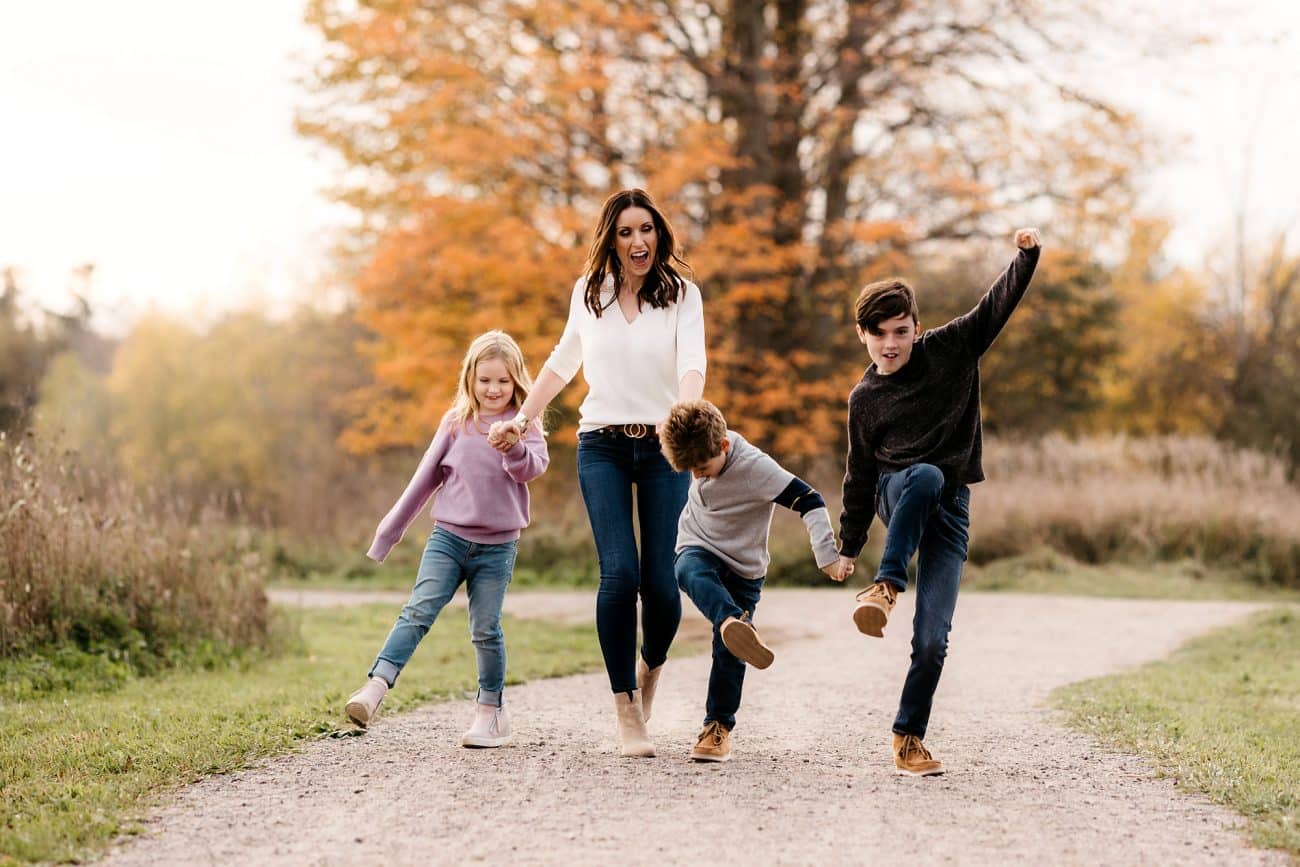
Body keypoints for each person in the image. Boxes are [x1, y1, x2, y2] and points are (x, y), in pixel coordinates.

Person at [489, 189, 706, 758]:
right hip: (602, 446)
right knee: (619, 575)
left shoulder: (683, 295)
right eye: (627, 232)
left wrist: (685, 415)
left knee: (661, 583)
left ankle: (651, 667)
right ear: (611, 239)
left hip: (663, 447)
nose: (639, 242)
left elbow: (692, 361)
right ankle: (625, 706)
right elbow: (563, 361)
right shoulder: (590, 295)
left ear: (659, 235)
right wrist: (521, 418)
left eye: (647, 230)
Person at [838, 228, 1042, 776]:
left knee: (933, 639)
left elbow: (995, 307)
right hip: (896, 491)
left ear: (916, 328)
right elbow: (858, 476)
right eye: (878, 335)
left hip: (950, 509)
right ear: (862, 335)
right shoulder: (865, 400)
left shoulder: (950, 350)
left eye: (900, 332)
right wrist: (848, 546)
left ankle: (908, 736)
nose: (890, 345)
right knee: (922, 474)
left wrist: (1027, 256)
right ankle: (883, 585)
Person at [345, 330, 549, 749]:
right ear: (470, 380)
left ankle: (491, 712)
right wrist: (389, 532)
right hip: (449, 539)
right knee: (417, 611)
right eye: (485, 380)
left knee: (485, 629)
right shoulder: (456, 423)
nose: (493, 389)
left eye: (503, 381)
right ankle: (375, 688)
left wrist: (512, 445)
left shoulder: (525, 425)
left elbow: (531, 470)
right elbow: (424, 478)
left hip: (498, 547)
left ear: (516, 382)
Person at [659, 400, 849, 762]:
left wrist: (827, 557)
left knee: (728, 650)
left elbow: (811, 500)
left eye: (702, 468)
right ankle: (733, 620)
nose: (697, 476)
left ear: (724, 447)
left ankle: (717, 728)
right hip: (699, 543)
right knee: (687, 570)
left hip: (745, 566)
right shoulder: (694, 444)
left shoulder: (755, 468)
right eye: (689, 470)